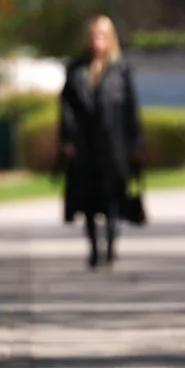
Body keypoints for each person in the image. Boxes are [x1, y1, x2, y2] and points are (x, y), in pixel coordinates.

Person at [59, 15, 143, 268]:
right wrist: (67, 138)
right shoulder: (76, 69)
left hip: (114, 143)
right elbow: (65, 108)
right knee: (87, 197)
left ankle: (111, 244)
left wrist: (135, 144)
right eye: (94, 35)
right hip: (86, 144)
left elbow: (131, 110)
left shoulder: (121, 70)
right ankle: (94, 247)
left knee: (113, 195)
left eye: (102, 35)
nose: (97, 40)